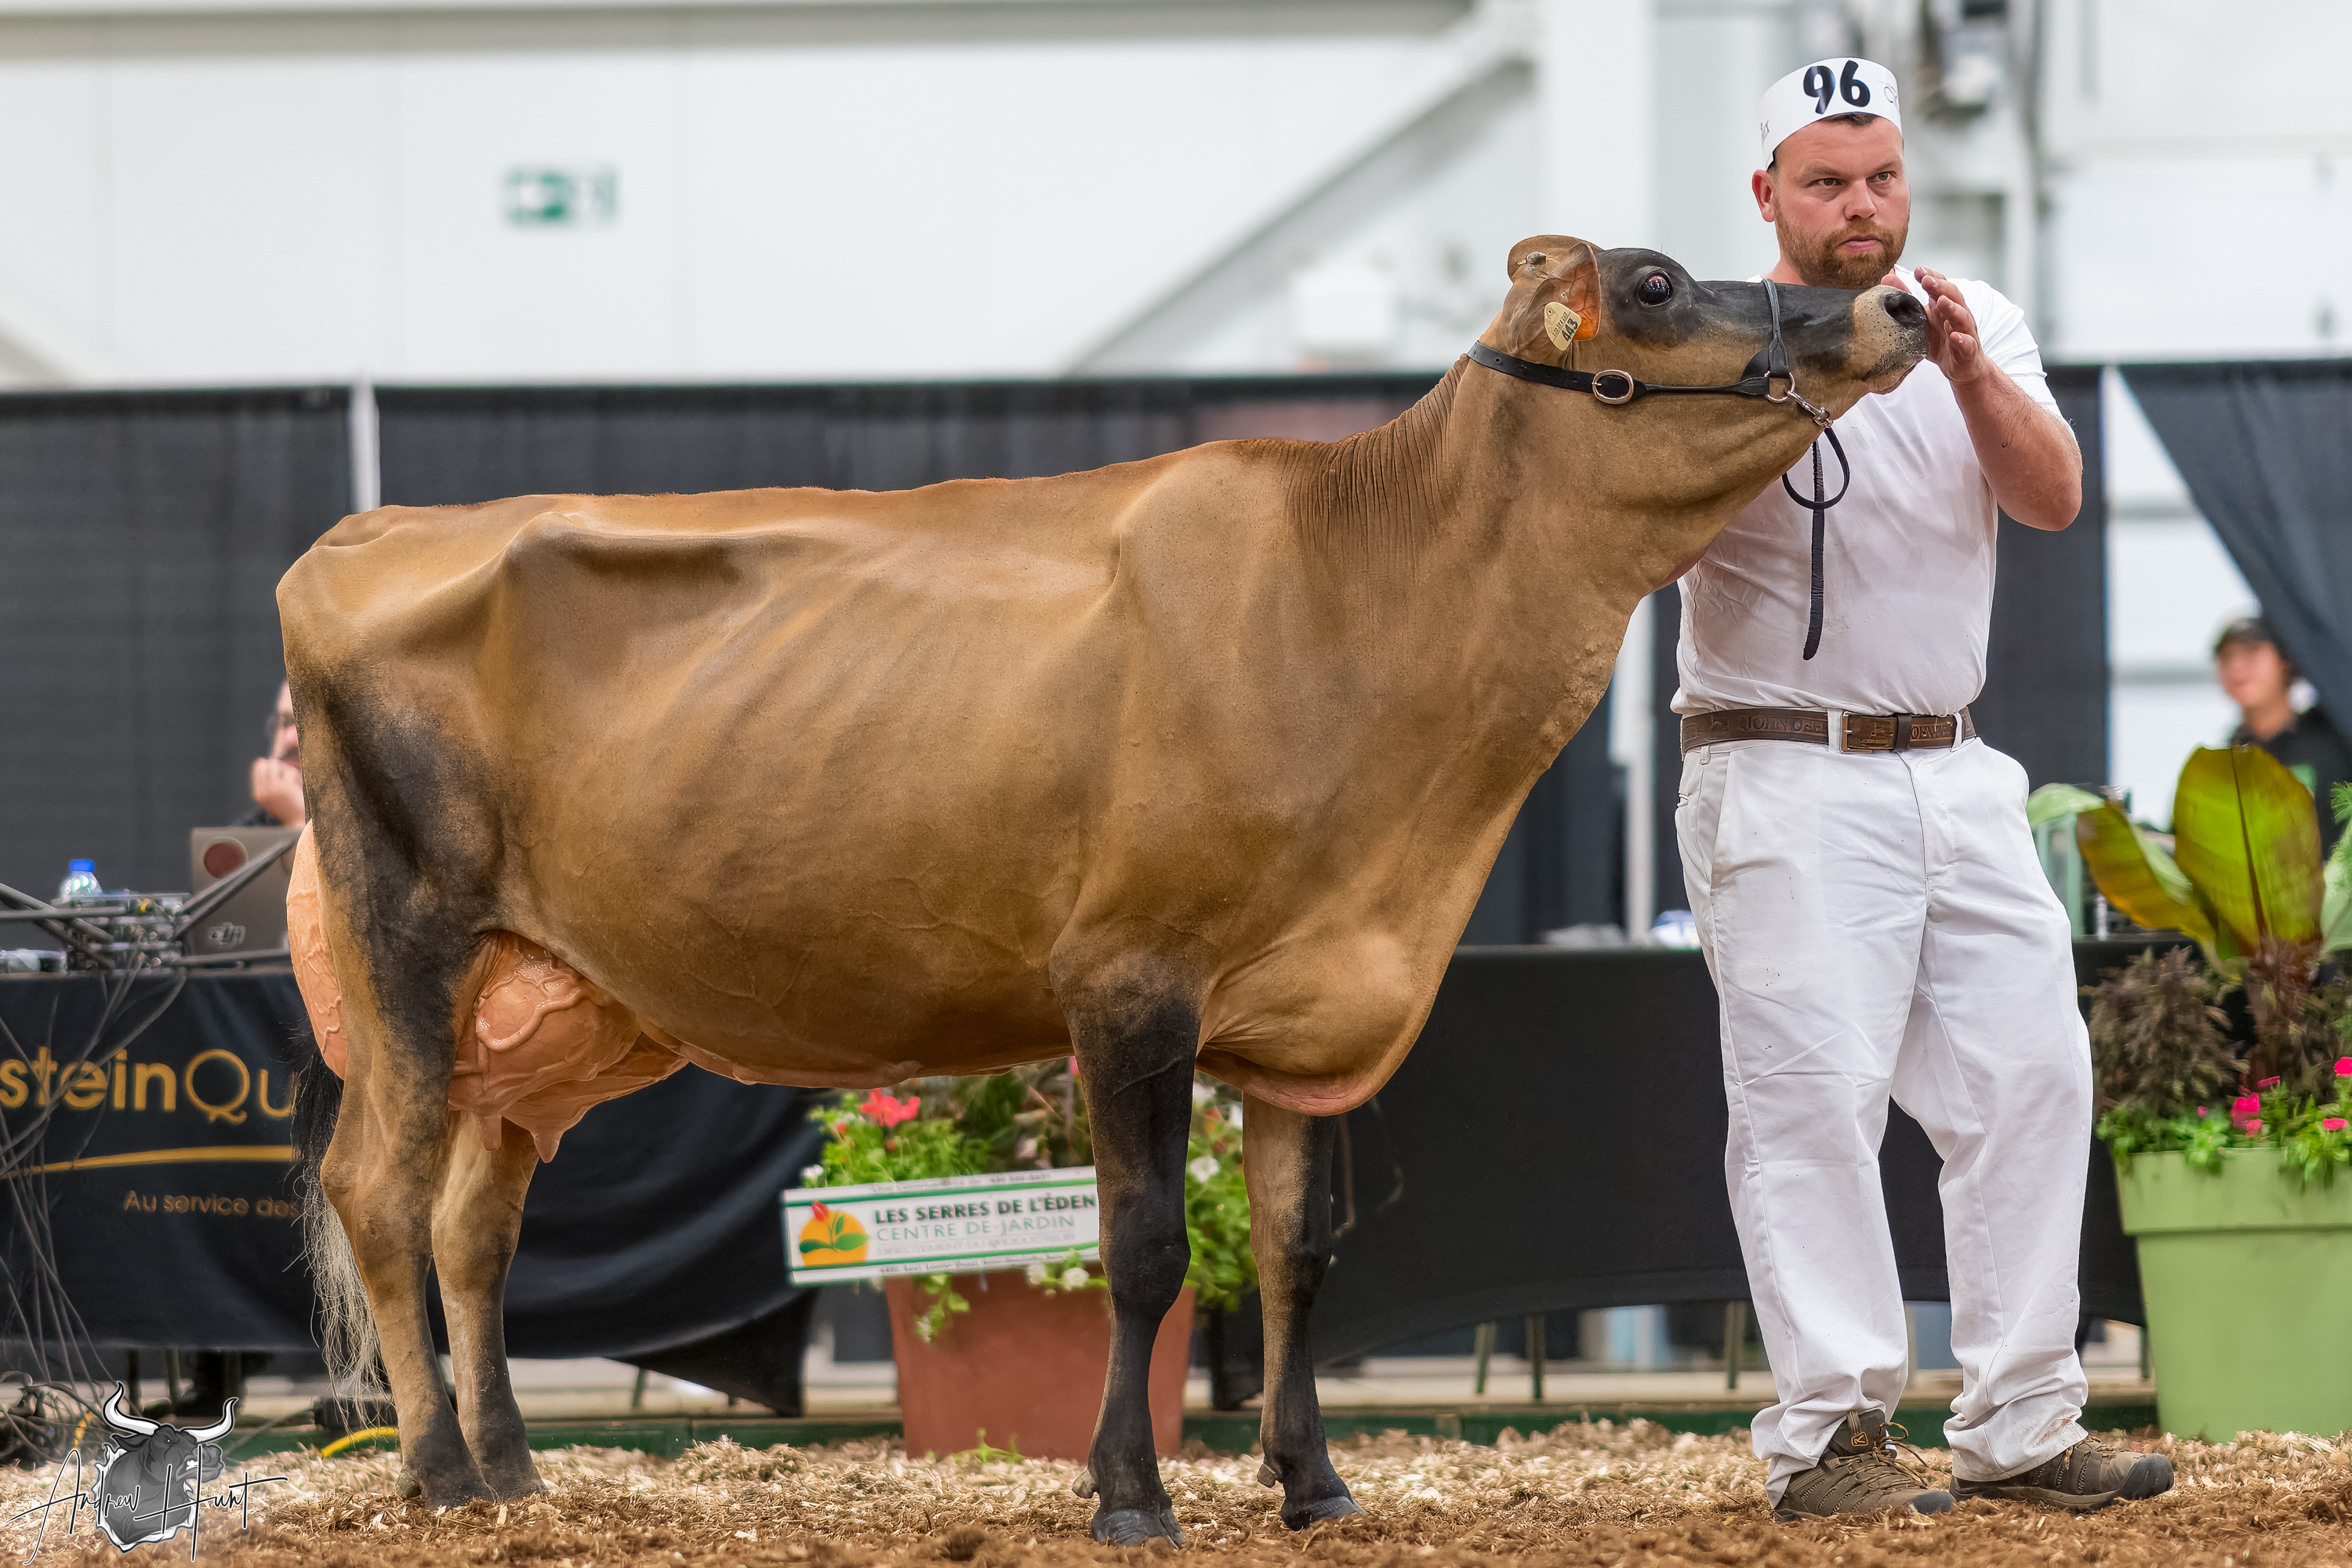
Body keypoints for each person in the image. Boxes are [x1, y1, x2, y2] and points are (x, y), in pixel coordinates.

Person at [1669, 58, 2175, 1519]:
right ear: (1768, 194)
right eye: (1827, 182)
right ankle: (1829, 1438)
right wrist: (1788, 389)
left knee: (2034, 1076)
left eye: (1882, 177)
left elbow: (2052, 496)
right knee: (1810, 1102)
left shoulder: (1977, 318)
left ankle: (2020, 1422)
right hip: (1778, 760)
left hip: (1954, 763)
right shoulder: (1708, 339)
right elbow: (1645, 546)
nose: (1862, 205)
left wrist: (1961, 370)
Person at [2213, 616, 2352, 858]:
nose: (2236, 667)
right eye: (2226, 657)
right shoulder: (2223, 762)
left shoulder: (2332, 741)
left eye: (2251, 652)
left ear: (2286, 659)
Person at [244, 681, 306, 829]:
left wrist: (298, 821)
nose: (290, 739)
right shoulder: (239, 837)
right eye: (286, 723)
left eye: (309, 724)